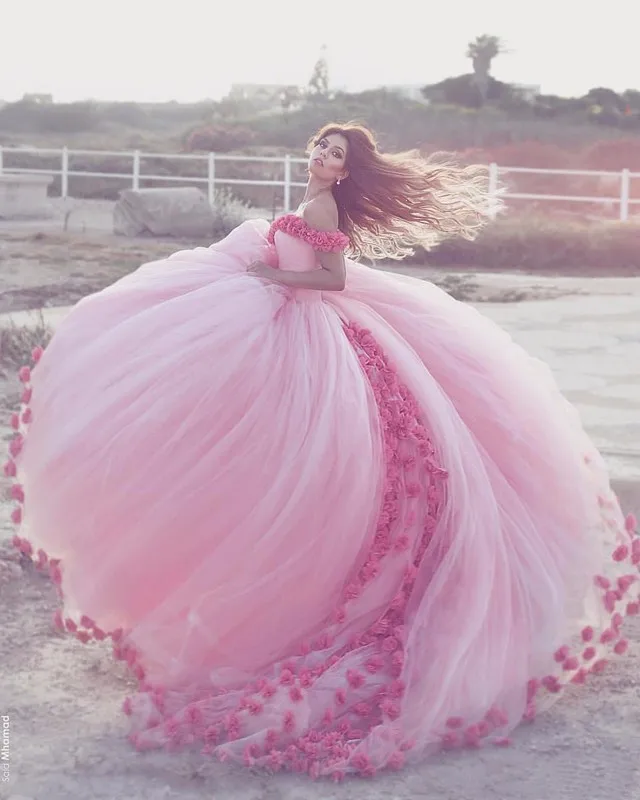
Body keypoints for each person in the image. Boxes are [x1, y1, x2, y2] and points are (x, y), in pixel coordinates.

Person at [7, 122, 639, 780]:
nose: (323, 157)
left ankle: (288, 605)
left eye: (336, 154)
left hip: (302, 333)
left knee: (305, 468)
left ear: (345, 171)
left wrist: (268, 275)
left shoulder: (320, 207)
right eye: (321, 146)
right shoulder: (311, 201)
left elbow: (333, 278)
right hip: (284, 325)